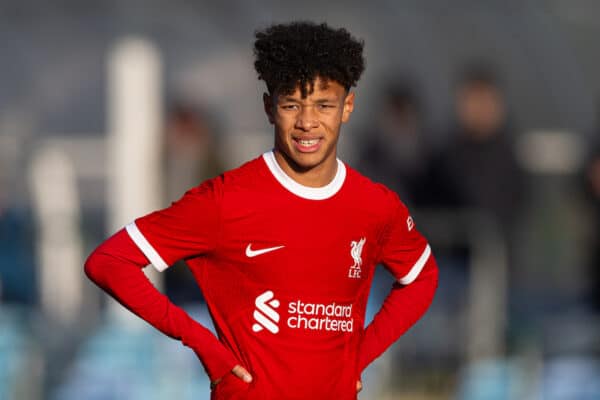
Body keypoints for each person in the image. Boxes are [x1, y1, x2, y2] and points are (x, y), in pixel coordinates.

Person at [85, 21, 438, 399]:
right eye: (291, 104)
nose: (307, 122)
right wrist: (206, 347)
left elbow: (422, 277)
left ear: (347, 107)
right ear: (270, 108)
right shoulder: (225, 200)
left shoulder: (375, 206)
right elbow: (110, 262)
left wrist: (360, 357)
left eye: (323, 104)